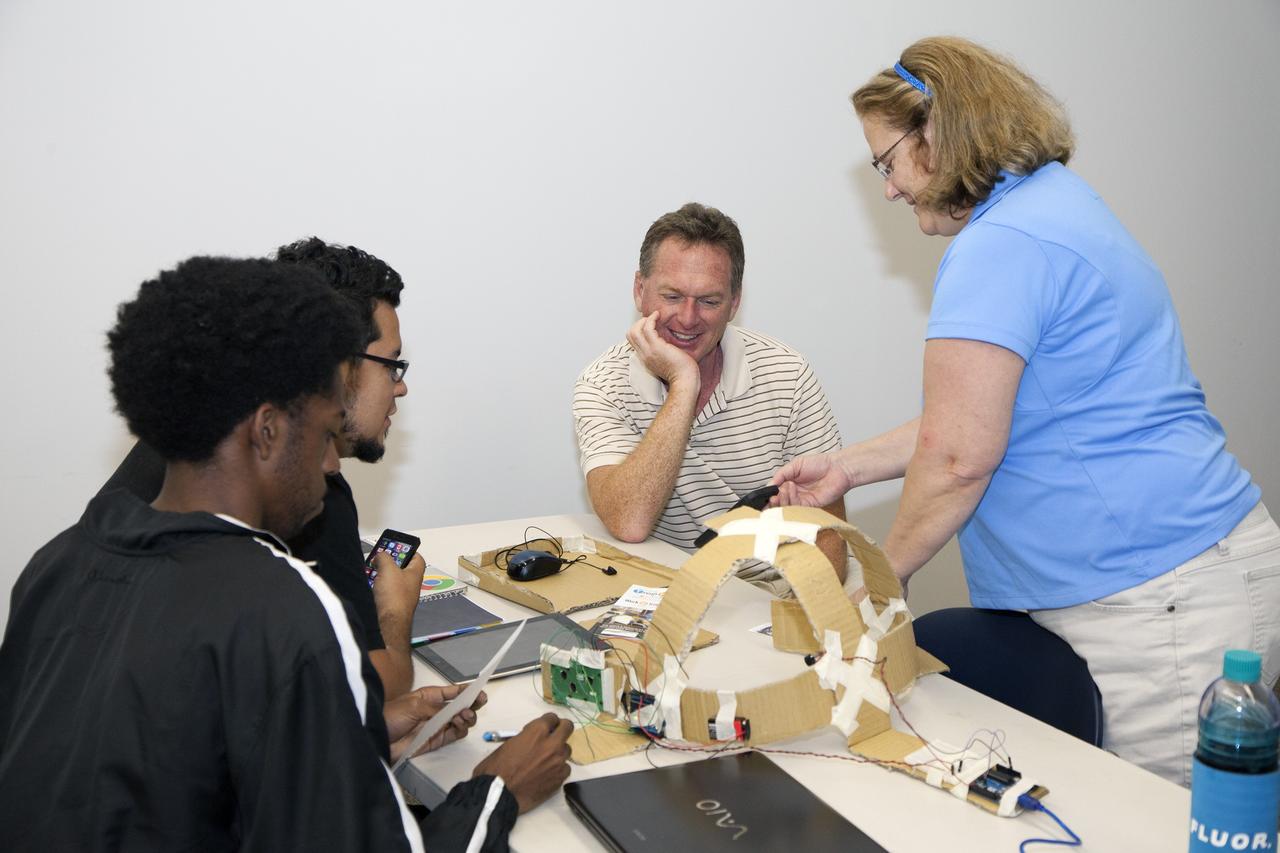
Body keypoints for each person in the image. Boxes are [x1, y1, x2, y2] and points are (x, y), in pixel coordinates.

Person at [772, 36, 1280, 786]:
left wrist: (877, 587)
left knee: (1156, 829)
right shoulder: (1058, 204)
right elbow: (989, 414)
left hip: (1154, 599)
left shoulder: (999, 245)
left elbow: (957, 456)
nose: (888, 187)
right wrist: (847, 465)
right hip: (1193, 571)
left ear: (938, 135)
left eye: (887, 162)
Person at [0, 257, 571, 851]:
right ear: (268, 430)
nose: (331, 467)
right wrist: (496, 792)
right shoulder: (284, 610)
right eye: (327, 433)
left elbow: (165, 770)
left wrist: (359, 735)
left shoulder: (58, 563)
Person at [100, 237, 422, 699]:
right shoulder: (304, 494)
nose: (400, 387)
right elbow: (377, 690)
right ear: (340, 367)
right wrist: (395, 609)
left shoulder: (178, 448)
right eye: (391, 365)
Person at [573, 202, 850, 595]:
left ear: (735, 303)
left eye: (709, 301)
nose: (687, 319)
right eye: (672, 296)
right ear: (640, 290)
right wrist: (684, 383)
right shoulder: (603, 383)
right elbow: (628, 521)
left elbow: (829, 535)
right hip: (667, 590)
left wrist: (799, 616)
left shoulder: (788, 374)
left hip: (773, 589)